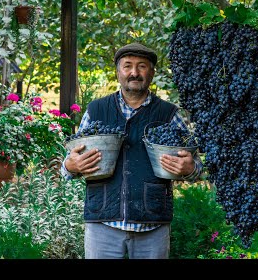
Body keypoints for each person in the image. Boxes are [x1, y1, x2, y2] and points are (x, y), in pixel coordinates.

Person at [61, 43, 203, 259]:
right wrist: (70, 166)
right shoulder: (96, 110)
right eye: (127, 66)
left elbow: (196, 165)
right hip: (102, 222)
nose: (134, 73)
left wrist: (191, 167)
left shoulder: (169, 113)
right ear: (118, 72)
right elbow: (71, 161)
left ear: (152, 73)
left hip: (152, 224)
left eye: (142, 66)